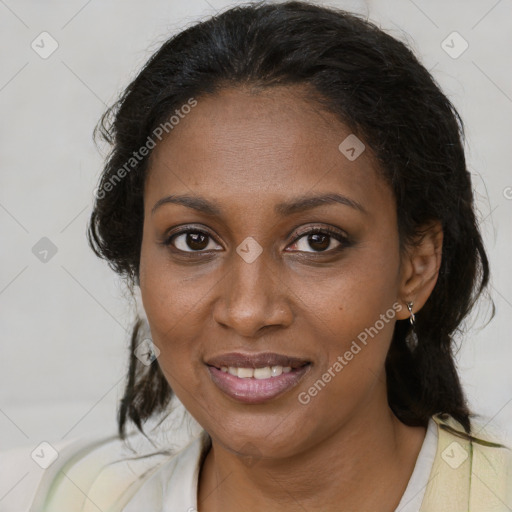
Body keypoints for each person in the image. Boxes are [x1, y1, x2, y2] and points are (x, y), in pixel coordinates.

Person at [1, 2, 510, 511]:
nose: (247, 311)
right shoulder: (39, 496)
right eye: (193, 240)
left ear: (415, 268)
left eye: (316, 241)